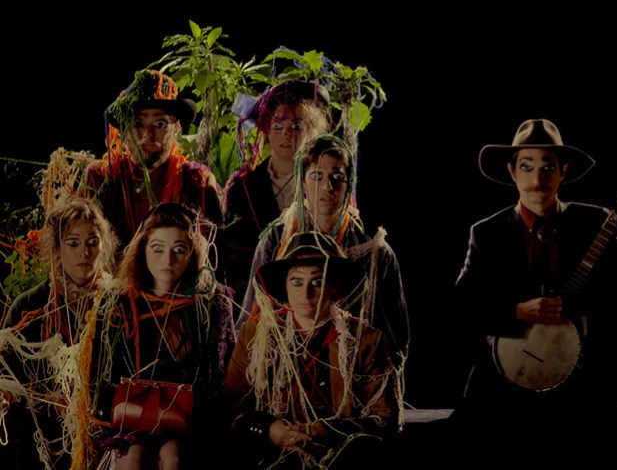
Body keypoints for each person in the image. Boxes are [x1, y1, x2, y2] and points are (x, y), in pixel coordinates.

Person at [450, 118, 617, 465]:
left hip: (583, 388)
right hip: (502, 388)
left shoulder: (595, 222)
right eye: (527, 166)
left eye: (548, 166)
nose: (538, 178)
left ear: (564, 171)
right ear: (512, 171)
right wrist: (517, 311)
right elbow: (462, 308)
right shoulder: (487, 232)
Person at [236, 134, 409, 384]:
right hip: (285, 378)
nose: (328, 187)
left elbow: (395, 340)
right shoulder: (276, 240)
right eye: (317, 176)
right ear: (303, 182)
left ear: (348, 183)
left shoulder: (374, 252)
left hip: (351, 380)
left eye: (337, 177)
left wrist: (377, 387)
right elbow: (249, 320)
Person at [74, 203, 234, 470]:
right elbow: (100, 377)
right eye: (157, 248)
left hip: (190, 425)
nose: (167, 260)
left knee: (173, 457)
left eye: (179, 249)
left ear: (193, 252)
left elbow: (219, 380)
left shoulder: (211, 306)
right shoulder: (118, 304)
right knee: (133, 457)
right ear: (143, 249)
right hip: (129, 421)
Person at [222, 231, 399, 469]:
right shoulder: (256, 336)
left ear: (335, 286)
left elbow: (385, 418)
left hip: (340, 456)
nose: (306, 294)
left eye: (318, 282)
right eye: (297, 281)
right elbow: (230, 407)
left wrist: (327, 430)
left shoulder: (365, 341)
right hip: (272, 454)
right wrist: (269, 429)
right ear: (285, 286)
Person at [0, 195, 118, 469]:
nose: (84, 252)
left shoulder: (118, 303)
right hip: (41, 436)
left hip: (104, 432)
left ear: (104, 245)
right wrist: (6, 395)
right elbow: (7, 371)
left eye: (93, 242)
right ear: (57, 248)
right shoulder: (30, 305)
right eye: (73, 243)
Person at [81, 69, 224, 246]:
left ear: (176, 128)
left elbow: (218, 249)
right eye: (138, 124)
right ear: (124, 132)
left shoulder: (197, 182)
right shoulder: (100, 179)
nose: (148, 135)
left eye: (160, 124)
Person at [221, 79, 332, 305]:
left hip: (314, 299)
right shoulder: (242, 189)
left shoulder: (328, 184)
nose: (286, 135)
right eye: (277, 127)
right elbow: (232, 262)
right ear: (266, 129)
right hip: (256, 302)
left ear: (312, 130)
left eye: (296, 127)